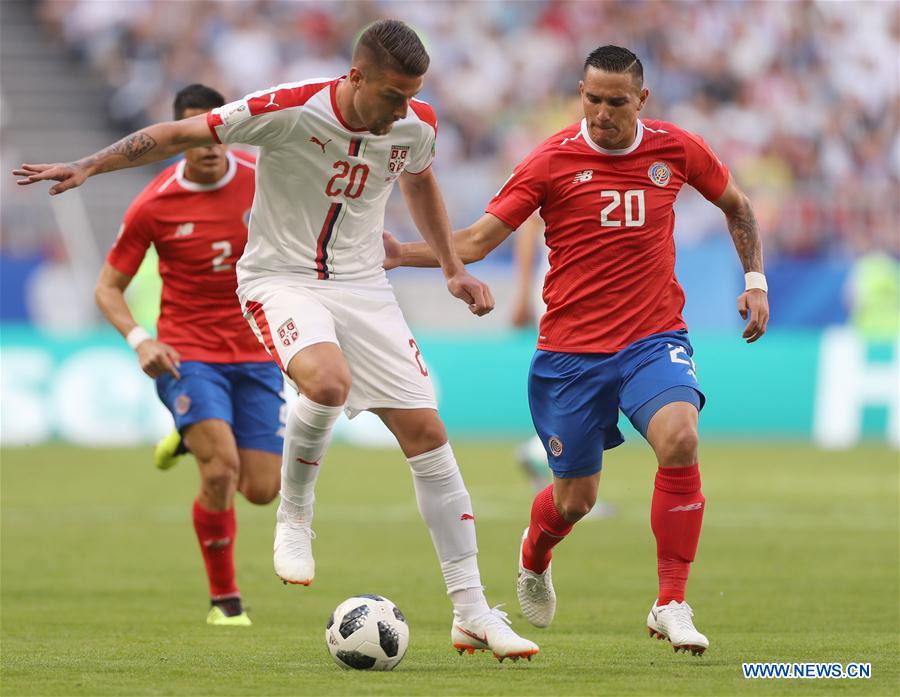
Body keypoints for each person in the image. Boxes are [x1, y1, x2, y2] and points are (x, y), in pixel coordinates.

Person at [16, 20, 538, 660]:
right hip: (279, 279)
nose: (403, 110)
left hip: (363, 284)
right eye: (393, 96)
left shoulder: (415, 123)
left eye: (412, 96)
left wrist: (453, 267)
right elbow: (179, 132)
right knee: (326, 380)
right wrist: (90, 163)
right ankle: (295, 517)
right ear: (356, 77)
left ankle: (472, 611)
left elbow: (420, 178)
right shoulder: (289, 108)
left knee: (429, 435)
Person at [384, 45, 770, 655]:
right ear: (580, 93)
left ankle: (671, 601)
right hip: (570, 355)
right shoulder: (550, 161)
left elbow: (737, 205)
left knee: (680, 438)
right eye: (592, 99)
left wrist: (754, 281)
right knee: (575, 500)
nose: (602, 112)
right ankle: (535, 555)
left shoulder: (675, 148)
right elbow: (480, 240)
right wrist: (404, 253)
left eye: (616, 102)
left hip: (653, 338)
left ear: (641, 101)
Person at [92, 84, 284, 627]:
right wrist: (140, 339)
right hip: (188, 353)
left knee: (261, 491)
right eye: (194, 133)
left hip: (257, 352)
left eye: (215, 130)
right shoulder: (154, 204)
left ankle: (187, 431)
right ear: (178, 139)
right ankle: (226, 601)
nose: (207, 143)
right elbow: (107, 289)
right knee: (220, 471)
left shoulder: (262, 180)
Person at [510, 213, 616, 519]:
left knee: (595, 389)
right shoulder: (555, 166)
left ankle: (546, 457)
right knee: (593, 389)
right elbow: (529, 225)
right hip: (567, 292)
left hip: (588, 291)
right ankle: (554, 465)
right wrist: (522, 293)